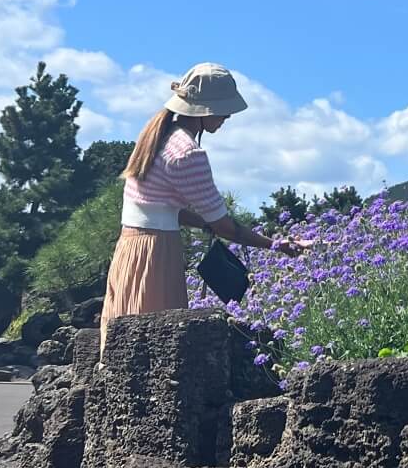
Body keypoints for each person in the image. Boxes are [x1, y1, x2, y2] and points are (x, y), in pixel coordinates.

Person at [102, 61, 299, 348]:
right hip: (157, 253)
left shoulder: (155, 138)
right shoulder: (187, 154)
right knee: (158, 345)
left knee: (125, 343)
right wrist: (276, 245)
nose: (227, 116)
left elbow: (164, 208)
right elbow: (226, 227)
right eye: (223, 110)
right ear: (204, 110)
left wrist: (205, 223)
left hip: (130, 249)